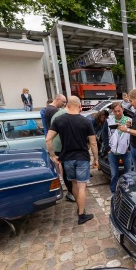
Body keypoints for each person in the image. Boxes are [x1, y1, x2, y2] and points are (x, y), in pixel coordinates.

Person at [46, 96, 98, 225]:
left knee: (74, 184)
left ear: (67, 105)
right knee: (82, 187)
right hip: (82, 158)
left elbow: (48, 139)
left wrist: (53, 155)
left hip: (67, 158)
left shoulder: (59, 120)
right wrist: (96, 159)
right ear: (80, 106)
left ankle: (80, 208)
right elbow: (93, 143)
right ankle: (81, 214)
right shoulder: (86, 122)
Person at [106, 102, 132, 195]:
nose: (117, 113)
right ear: (112, 111)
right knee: (114, 174)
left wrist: (129, 147)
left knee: (128, 173)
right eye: (115, 111)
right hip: (112, 152)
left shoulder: (128, 120)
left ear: (123, 109)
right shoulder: (109, 120)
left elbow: (132, 134)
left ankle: (128, 191)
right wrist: (108, 148)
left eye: (119, 111)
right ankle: (114, 192)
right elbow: (104, 135)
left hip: (126, 151)